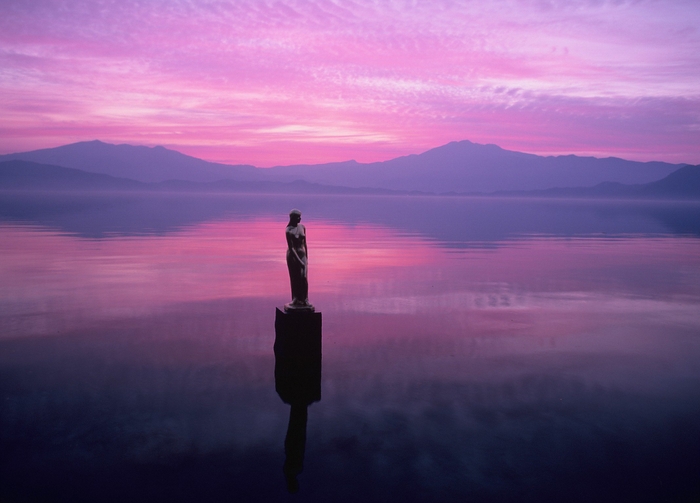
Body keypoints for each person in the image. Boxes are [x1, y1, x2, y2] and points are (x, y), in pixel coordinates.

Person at [285, 209, 314, 311]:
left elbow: (305, 243)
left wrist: (306, 257)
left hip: (302, 255)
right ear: (293, 218)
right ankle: (296, 299)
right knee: (295, 278)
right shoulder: (288, 230)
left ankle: (305, 299)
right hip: (293, 257)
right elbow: (291, 248)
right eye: (298, 217)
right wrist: (299, 261)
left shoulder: (302, 227)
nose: (300, 219)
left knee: (304, 277)